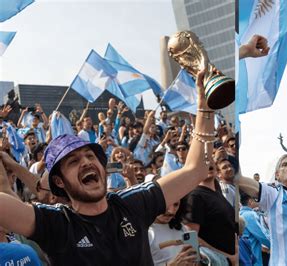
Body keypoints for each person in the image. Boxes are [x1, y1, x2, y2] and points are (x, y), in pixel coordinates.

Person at [0, 68, 215, 265]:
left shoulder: (133, 203)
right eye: (73, 161)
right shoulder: (56, 223)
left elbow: (196, 169)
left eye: (90, 155)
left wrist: (205, 107)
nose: (86, 162)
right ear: (59, 181)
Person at [184, 162, 236, 264]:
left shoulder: (218, 194)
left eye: (210, 160)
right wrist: (227, 257)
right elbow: (190, 237)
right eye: (203, 161)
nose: (207, 163)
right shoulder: (195, 196)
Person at [239, 192, 271, 266]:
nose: (258, 201)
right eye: (256, 199)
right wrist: (277, 244)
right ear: (250, 201)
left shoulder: (240, 213)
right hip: (253, 259)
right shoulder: (250, 215)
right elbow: (262, 236)